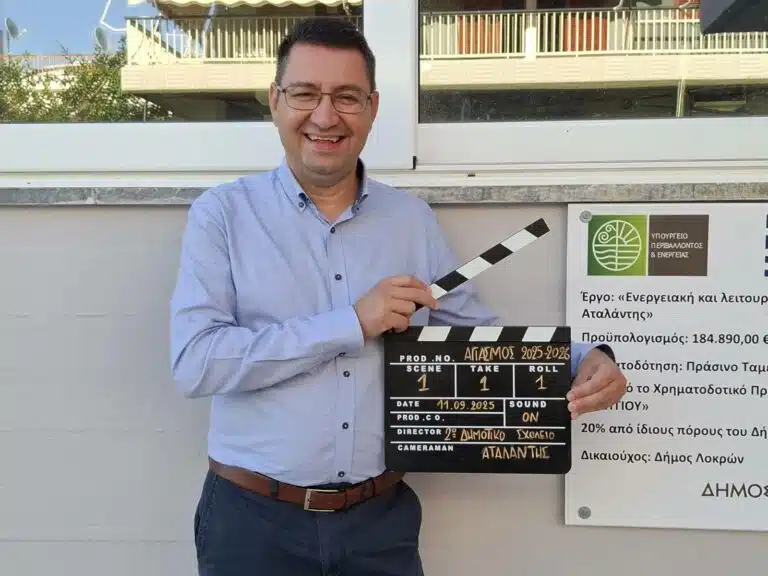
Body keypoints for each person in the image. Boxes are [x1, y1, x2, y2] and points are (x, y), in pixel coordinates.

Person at [169, 16, 627, 576]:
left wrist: (583, 360)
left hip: (379, 523)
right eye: (305, 93)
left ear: (373, 108)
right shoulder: (222, 215)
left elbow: (472, 335)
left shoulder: (411, 220)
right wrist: (351, 322)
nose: (325, 116)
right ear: (275, 100)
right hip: (252, 522)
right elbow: (197, 362)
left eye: (346, 97)